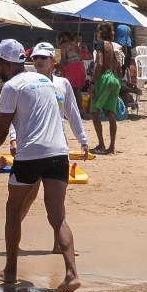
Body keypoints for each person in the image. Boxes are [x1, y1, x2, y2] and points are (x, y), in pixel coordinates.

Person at [0, 40, 80, 292]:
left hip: (30, 155)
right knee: (57, 216)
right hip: (58, 153)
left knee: (13, 209)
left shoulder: (11, 86)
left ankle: (10, 270)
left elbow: (0, 130)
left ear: (5, 64)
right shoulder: (44, 80)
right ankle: (72, 274)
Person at [8, 42, 89, 255]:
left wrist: (82, 138)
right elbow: (15, 115)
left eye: (43, 57)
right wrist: (13, 139)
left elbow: (72, 112)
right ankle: (13, 239)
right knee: (28, 196)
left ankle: (58, 245)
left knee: (56, 202)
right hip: (31, 146)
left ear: (53, 61)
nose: (38, 61)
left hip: (56, 146)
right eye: (35, 57)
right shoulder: (24, 83)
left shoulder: (62, 84)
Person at [89, 23, 122, 154]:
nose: (97, 33)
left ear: (101, 32)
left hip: (105, 78)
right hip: (115, 79)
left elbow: (99, 64)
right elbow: (119, 69)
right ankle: (111, 147)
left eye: (98, 31)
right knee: (111, 113)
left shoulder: (100, 44)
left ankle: (101, 143)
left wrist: (92, 82)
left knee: (94, 111)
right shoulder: (116, 46)